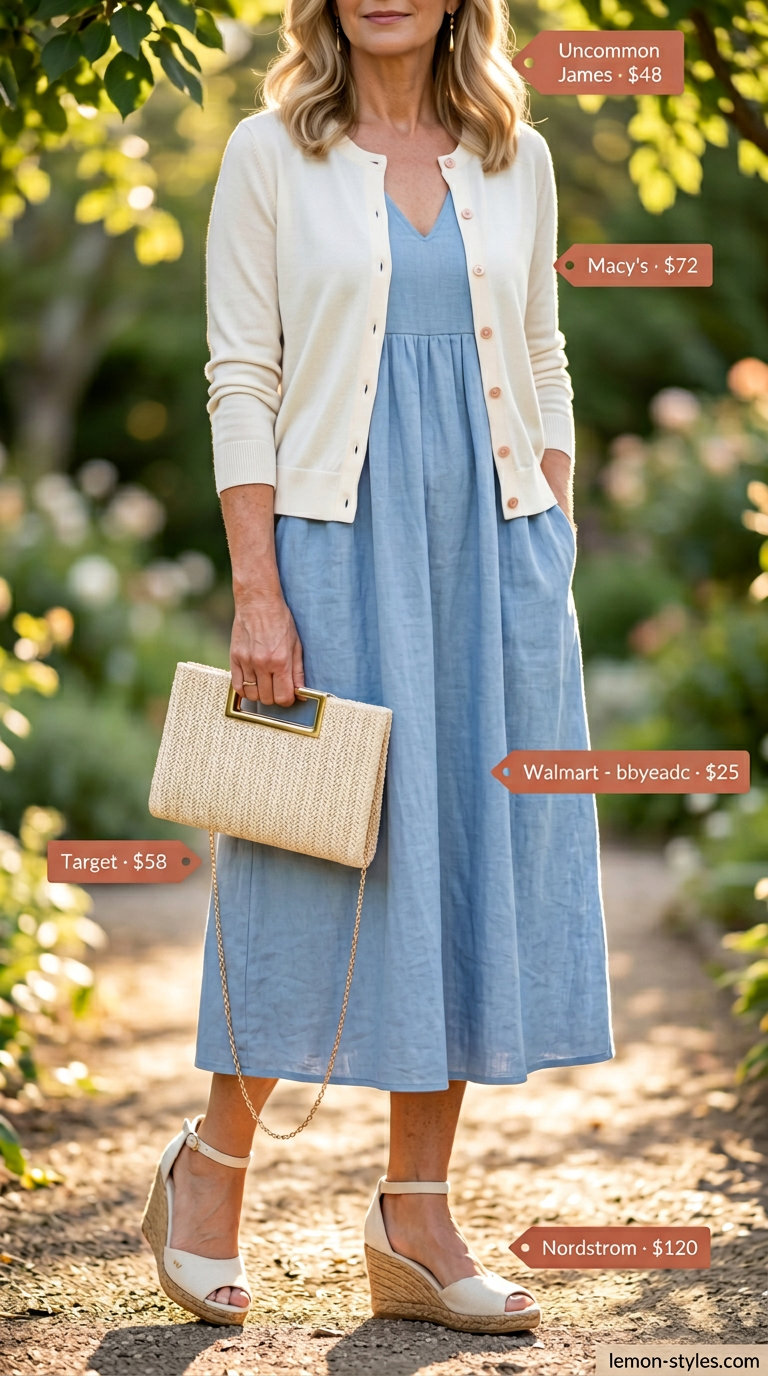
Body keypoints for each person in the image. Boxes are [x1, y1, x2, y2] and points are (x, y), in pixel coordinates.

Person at [141, 0, 614, 1335]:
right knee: (303, 861)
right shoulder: (265, 153)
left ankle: (416, 1218)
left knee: (468, 861)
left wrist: (549, 536)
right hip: (337, 552)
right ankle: (210, 1177)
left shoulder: (515, 153)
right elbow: (241, 374)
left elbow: (541, 350)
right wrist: (257, 590)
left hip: (494, 554)